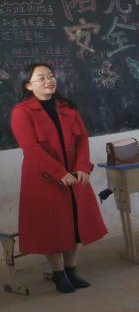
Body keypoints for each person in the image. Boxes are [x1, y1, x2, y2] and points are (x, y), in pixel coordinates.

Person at [10, 63, 107, 293]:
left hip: (74, 175)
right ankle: (58, 273)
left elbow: (82, 138)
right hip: (44, 179)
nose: (49, 80)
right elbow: (31, 149)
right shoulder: (22, 112)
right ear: (28, 85)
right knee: (52, 226)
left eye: (51, 76)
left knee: (74, 223)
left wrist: (82, 167)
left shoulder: (67, 107)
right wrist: (59, 173)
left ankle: (72, 270)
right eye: (41, 78)